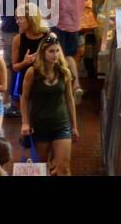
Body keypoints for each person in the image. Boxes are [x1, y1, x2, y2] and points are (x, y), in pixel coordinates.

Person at [20, 32, 80, 175]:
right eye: (51, 51)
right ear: (43, 52)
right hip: (40, 125)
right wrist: (25, 122)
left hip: (61, 123)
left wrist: (74, 126)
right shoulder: (32, 73)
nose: (55, 54)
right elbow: (24, 98)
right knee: (41, 168)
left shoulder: (64, 72)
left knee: (64, 168)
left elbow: (70, 99)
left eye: (57, 51)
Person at [45, 0, 87, 95]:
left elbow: (50, 0)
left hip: (59, 21)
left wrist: (47, 21)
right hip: (75, 19)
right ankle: (76, 86)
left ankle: (61, 89)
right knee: (69, 54)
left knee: (56, 55)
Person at [9, 1, 51, 118]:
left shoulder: (48, 36)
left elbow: (57, 60)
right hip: (27, 85)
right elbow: (15, 67)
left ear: (31, 19)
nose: (17, 21)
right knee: (30, 117)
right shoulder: (18, 39)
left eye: (20, 18)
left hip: (46, 82)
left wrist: (43, 57)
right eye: (16, 18)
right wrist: (25, 62)